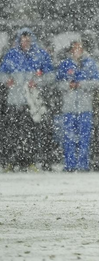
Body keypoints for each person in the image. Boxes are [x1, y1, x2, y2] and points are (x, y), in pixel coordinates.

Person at [0, 28, 55, 170]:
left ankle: (29, 162)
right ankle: (11, 161)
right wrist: (7, 80)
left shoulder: (40, 54)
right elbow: (2, 72)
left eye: (28, 39)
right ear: (19, 40)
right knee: (12, 132)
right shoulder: (11, 55)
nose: (26, 42)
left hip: (32, 102)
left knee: (30, 132)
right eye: (23, 40)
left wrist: (38, 81)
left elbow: (51, 75)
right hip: (14, 100)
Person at [55, 40, 99, 172]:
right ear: (71, 50)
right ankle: (70, 164)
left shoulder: (90, 63)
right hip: (69, 106)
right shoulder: (65, 64)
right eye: (75, 48)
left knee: (84, 137)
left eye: (79, 48)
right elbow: (57, 83)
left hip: (85, 106)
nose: (77, 50)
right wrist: (67, 85)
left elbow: (97, 82)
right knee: (69, 137)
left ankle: (83, 164)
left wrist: (82, 84)